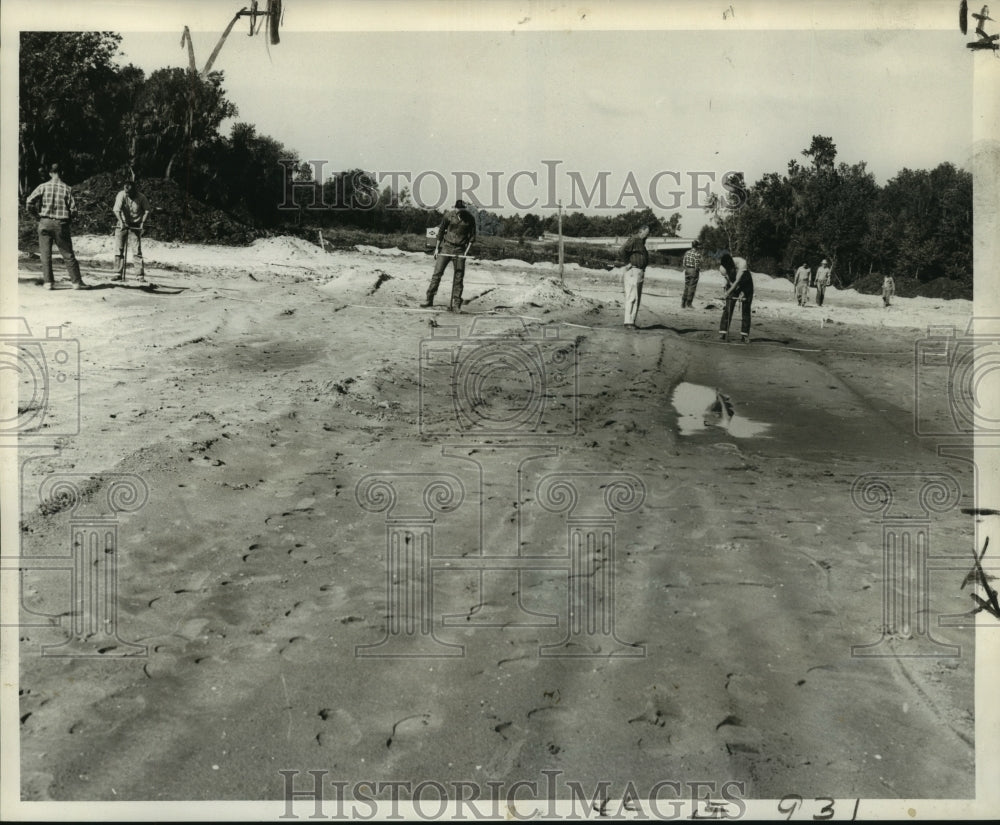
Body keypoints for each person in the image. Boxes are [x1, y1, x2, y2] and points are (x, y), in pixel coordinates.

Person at [24, 163, 86, 290]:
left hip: (44, 222)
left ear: (50, 173)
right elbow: (74, 210)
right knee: (68, 254)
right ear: (61, 173)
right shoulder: (67, 189)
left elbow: (29, 202)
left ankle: (48, 283)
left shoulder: (43, 186)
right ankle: (76, 282)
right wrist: (68, 220)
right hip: (60, 224)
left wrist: (37, 216)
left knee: (45, 254)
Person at [421, 199, 477, 311]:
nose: (459, 211)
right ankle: (429, 299)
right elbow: (441, 231)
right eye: (457, 209)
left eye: (461, 209)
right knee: (437, 274)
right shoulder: (448, 216)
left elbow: (472, 237)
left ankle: (456, 304)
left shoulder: (470, 219)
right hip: (446, 248)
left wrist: (466, 252)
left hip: (460, 250)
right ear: (455, 208)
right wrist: (437, 249)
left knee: (459, 277)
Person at [113, 179, 150, 280]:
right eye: (126, 192)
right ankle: (117, 274)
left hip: (135, 224)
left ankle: (140, 275)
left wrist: (142, 223)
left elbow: (147, 210)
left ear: (134, 190)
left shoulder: (141, 197)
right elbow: (116, 210)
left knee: (136, 251)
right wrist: (121, 222)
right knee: (118, 249)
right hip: (122, 224)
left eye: (129, 192)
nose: (127, 194)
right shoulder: (121, 195)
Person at [619, 224, 650, 330]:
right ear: (641, 231)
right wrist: (627, 263)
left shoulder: (641, 241)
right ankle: (628, 322)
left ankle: (631, 321)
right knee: (632, 296)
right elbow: (622, 250)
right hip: (633, 271)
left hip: (639, 271)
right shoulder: (635, 239)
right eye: (646, 233)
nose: (648, 235)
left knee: (636, 298)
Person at [718, 252, 754, 343]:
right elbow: (729, 281)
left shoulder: (742, 263)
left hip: (746, 282)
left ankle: (744, 335)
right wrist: (727, 293)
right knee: (728, 307)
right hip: (733, 283)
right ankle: (723, 332)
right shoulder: (723, 268)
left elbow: (737, 281)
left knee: (746, 308)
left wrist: (729, 293)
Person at [681, 240, 703, 308]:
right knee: (692, 287)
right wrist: (698, 269)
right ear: (697, 246)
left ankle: (683, 302)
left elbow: (683, 262)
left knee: (686, 286)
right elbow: (697, 264)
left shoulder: (687, 252)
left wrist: (686, 268)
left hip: (687, 269)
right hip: (693, 270)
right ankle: (689, 303)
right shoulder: (697, 254)